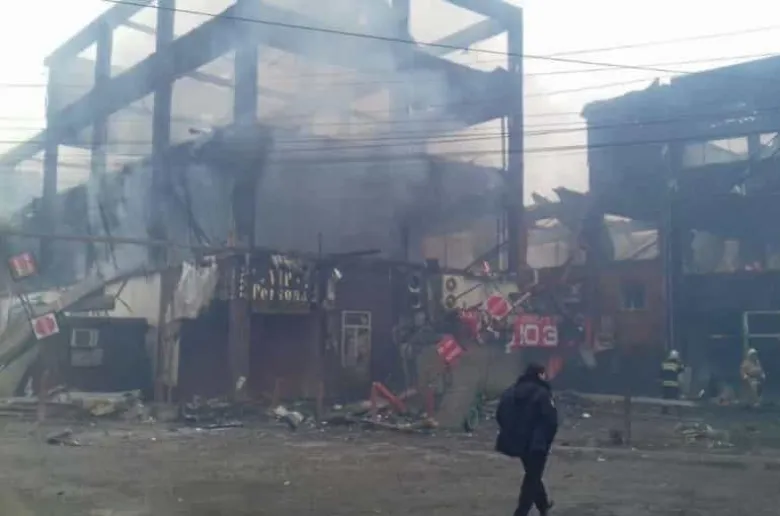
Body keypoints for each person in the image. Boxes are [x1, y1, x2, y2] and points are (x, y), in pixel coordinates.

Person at [496, 363, 558, 516]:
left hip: (518, 441)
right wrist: (546, 439)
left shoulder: (511, 392)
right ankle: (521, 512)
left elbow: (500, 414)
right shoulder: (543, 393)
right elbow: (551, 420)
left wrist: (510, 432)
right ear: (539, 375)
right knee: (532, 478)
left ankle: (543, 505)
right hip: (537, 444)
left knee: (533, 474)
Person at [660, 350, 684, 414]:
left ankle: (664, 411)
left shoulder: (664, 363)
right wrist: (680, 362)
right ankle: (679, 412)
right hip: (674, 384)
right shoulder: (676, 364)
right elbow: (681, 370)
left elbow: (661, 373)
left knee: (665, 398)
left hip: (665, 384)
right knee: (676, 398)